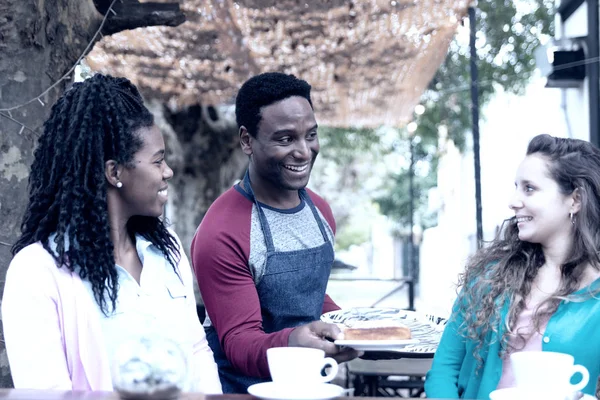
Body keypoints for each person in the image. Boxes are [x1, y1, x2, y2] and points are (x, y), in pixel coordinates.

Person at [2, 74, 222, 394]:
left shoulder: (167, 250)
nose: (168, 172)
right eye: (158, 161)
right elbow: (45, 393)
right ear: (114, 172)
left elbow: (196, 350)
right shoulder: (37, 270)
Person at [191, 72, 359, 393]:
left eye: (310, 135)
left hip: (310, 388)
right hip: (240, 391)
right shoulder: (223, 230)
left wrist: (355, 329)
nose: (304, 151)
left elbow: (308, 296)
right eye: (285, 139)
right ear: (246, 141)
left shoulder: (320, 212)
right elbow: (239, 344)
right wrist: (296, 339)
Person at [425, 134, 600, 399]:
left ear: (574, 200)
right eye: (516, 187)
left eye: (529, 188)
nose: (513, 201)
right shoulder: (489, 276)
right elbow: (444, 370)